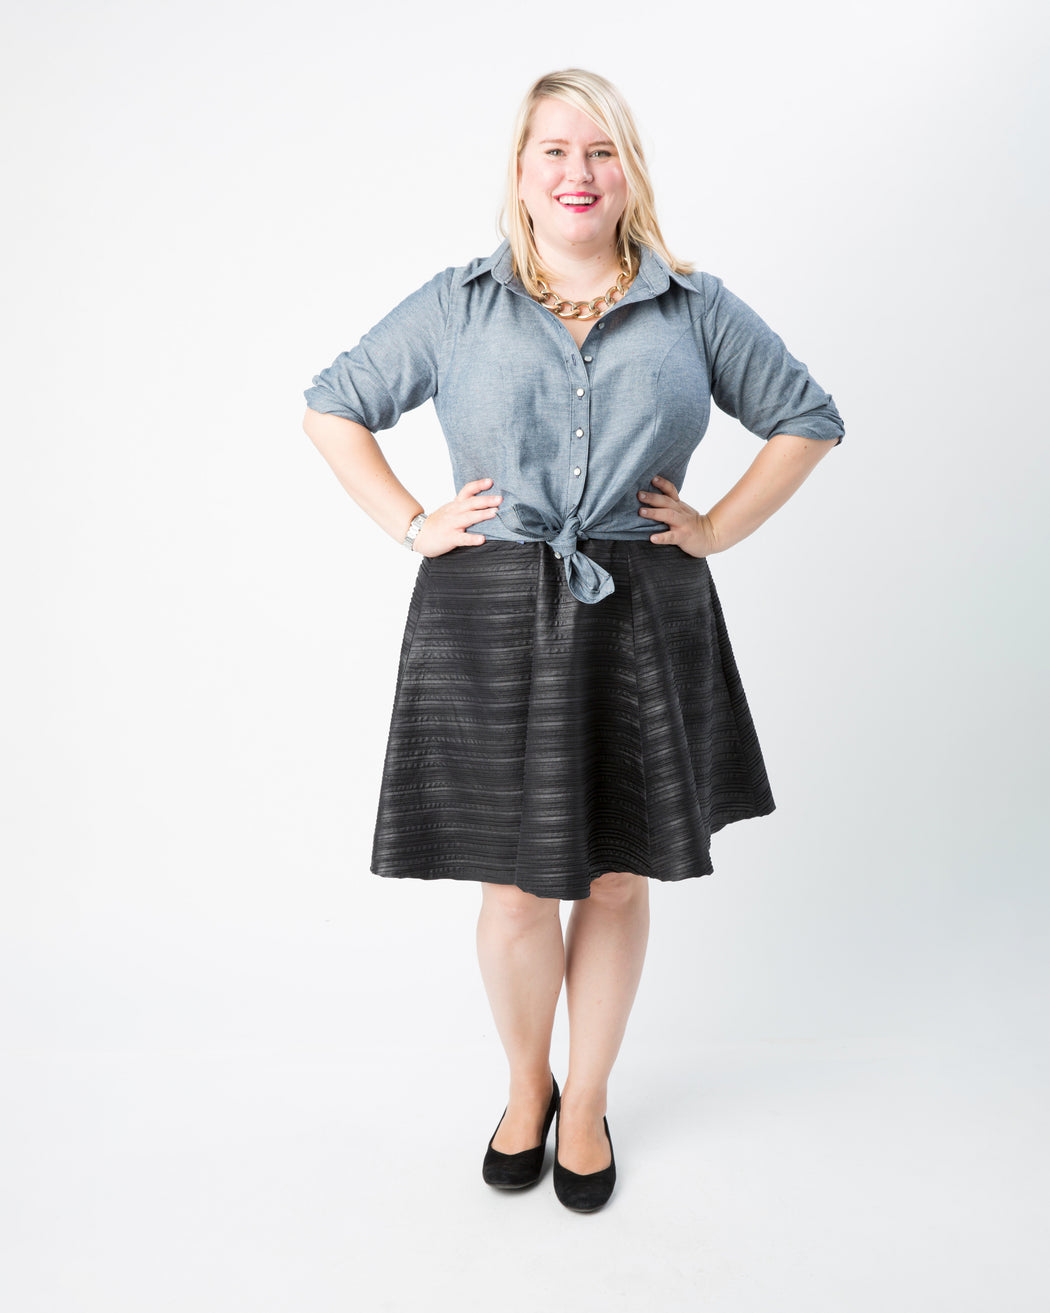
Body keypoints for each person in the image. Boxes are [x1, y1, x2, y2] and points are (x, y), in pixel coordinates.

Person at [302, 68, 844, 1213]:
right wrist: (415, 519)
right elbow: (333, 403)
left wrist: (713, 527)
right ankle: (524, 1085)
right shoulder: (457, 303)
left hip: (642, 606)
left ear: (628, 170)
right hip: (488, 608)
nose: (578, 172)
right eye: (554, 150)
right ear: (520, 173)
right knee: (510, 886)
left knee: (611, 876)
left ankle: (587, 1100)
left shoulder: (694, 305)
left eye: (600, 151)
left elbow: (806, 415)